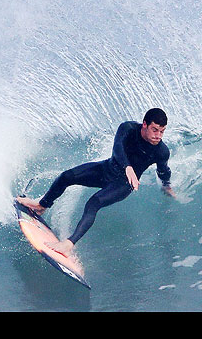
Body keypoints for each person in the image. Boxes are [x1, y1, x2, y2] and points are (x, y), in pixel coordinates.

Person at [16, 108, 175, 256]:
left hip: (123, 185)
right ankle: (42, 205)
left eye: (162, 131)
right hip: (106, 169)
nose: (158, 136)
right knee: (66, 176)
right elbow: (117, 148)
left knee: (93, 203)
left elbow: (163, 170)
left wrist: (166, 185)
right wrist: (127, 166)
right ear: (145, 124)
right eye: (155, 130)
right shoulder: (127, 128)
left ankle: (69, 244)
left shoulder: (161, 151)